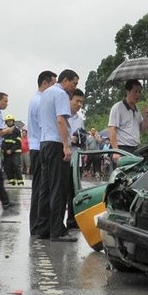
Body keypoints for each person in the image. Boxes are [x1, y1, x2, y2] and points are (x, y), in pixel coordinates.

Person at [35, 69, 79, 242]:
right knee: (59, 188)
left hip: (44, 143)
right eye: (74, 83)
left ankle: (43, 228)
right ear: (65, 80)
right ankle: (57, 230)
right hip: (56, 143)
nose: (74, 88)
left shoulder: (46, 93)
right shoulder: (60, 94)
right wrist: (66, 146)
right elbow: (61, 120)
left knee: (45, 189)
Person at [27, 70, 57, 237]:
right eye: (53, 84)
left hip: (37, 147)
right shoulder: (40, 102)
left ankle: (37, 226)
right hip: (39, 148)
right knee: (40, 189)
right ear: (45, 83)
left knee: (39, 189)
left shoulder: (37, 100)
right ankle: (38, 226)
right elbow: (44, 125)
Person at [107, 78, 148, 160]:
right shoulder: (118, 107)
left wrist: (146, 117)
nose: (138, 95)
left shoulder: (137, 109)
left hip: (135, 148)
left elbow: (142, 130)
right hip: (122, 148)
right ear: (127, 92)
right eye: (135, 91)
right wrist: (116, 151)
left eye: (139, 92)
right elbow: (112, 129)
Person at [65, 88, 86, 230]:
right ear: (69, 100)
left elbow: (82, 139)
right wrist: (69, 140)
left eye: (81, 102)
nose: (79, 104)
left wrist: (78, 139)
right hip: (64, 158)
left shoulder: (80, 120)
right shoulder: (62, 117)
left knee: (74, 192)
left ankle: (72, 221)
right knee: (62, 191)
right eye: (77, 101)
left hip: (76, 159)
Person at [1, 115, 23, 186]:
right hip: (6, 152)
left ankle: (20, 181)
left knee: (16, 165)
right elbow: (2, 141)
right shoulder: (4, 131)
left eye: (10, 121)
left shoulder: (17, 130)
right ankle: (11, 181)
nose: (9, 122)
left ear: (13, 121)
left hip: (16, 151)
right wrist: (5, 149)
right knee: (8, 166)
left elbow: (18, 142)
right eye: (8, 121)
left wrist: (11, 150)